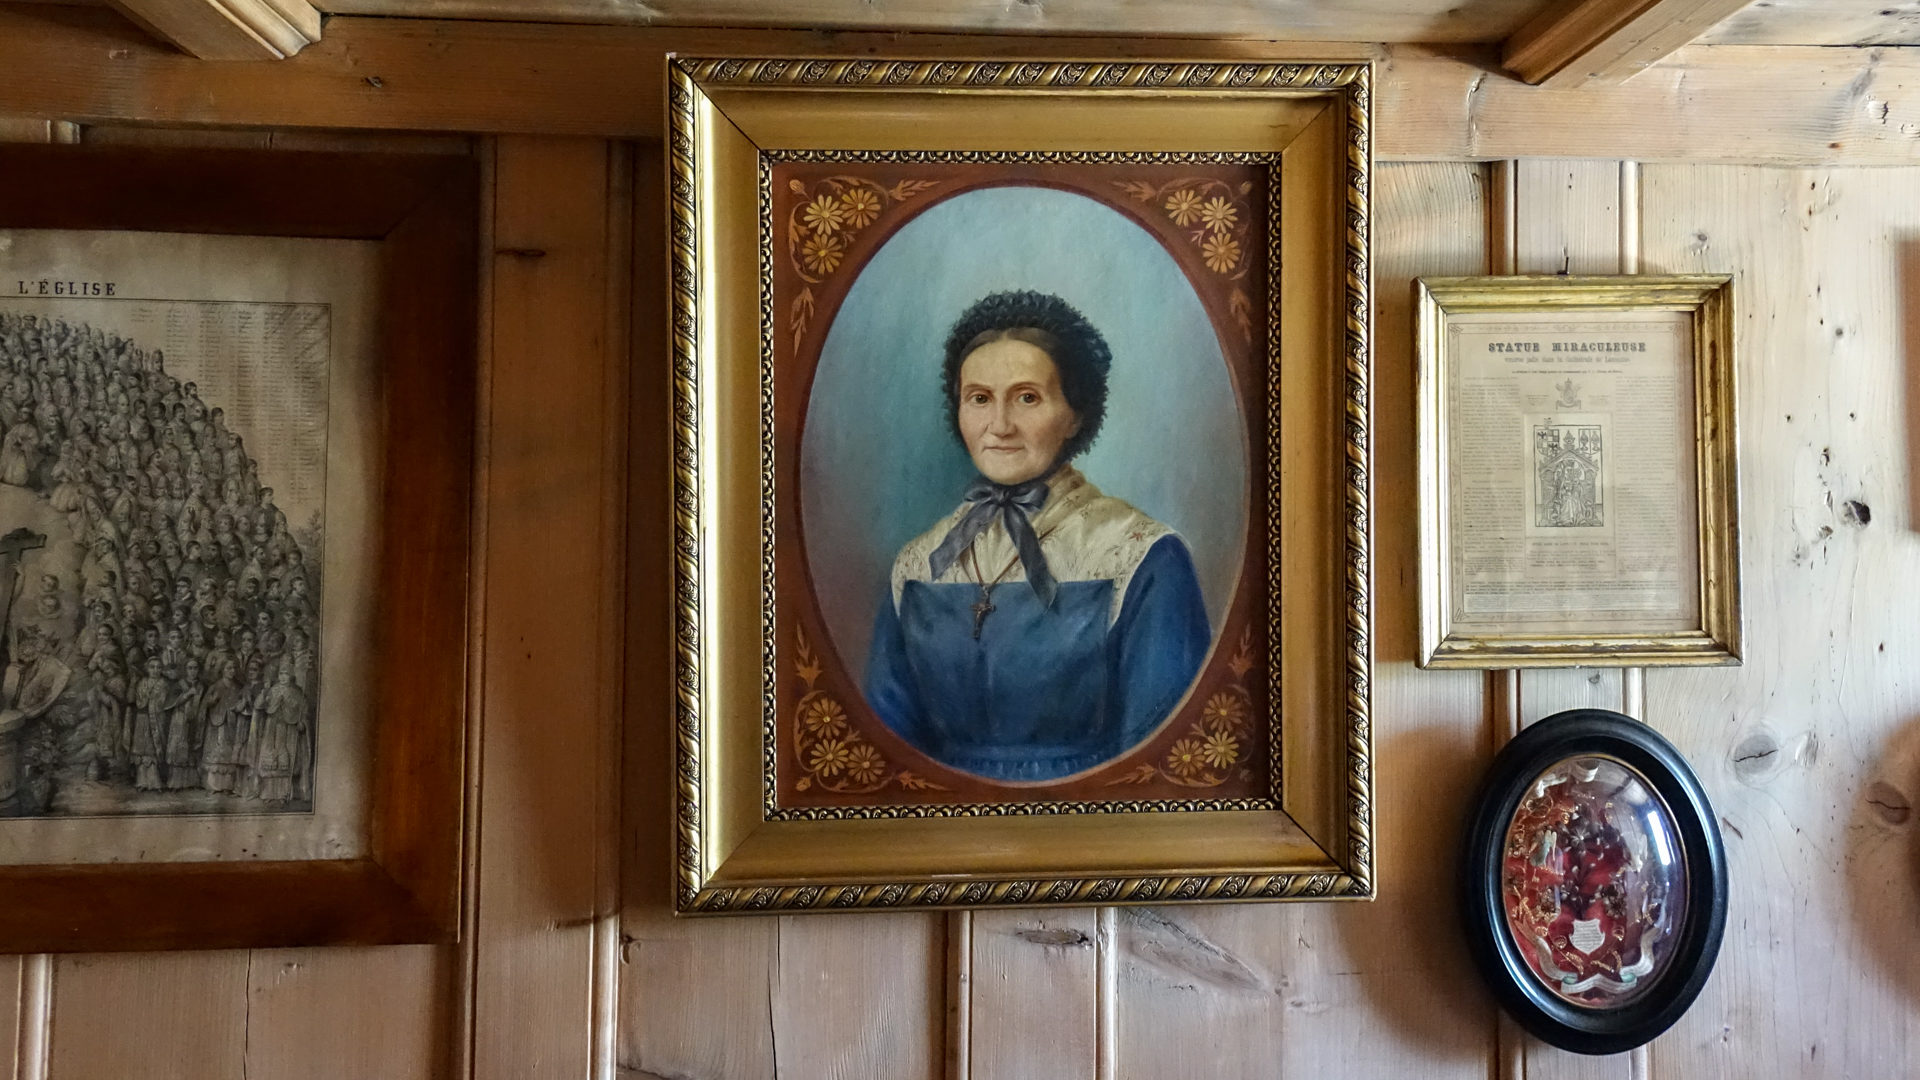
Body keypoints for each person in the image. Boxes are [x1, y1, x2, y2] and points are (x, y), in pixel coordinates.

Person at [862, 291, 1210, 782]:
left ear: (1075, 414)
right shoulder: (920, 563)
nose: (999, 426)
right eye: (979, 399)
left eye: (1028, 397)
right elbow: (884, 754)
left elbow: (1163, 767)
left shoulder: (1140, 555)